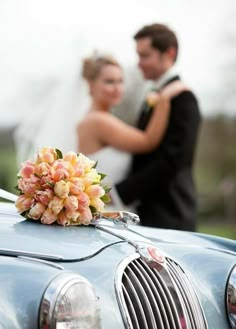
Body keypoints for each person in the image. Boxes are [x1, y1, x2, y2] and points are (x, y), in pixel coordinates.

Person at [113, 23, 202, 231]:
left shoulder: (184, 99)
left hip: (170, 213)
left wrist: (120, 192)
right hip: (146, 211)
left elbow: (173, 160)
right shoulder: (156, 94)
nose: (139, 64)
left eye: (145, 56)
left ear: (169, 53)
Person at [77, 54, 186, 200]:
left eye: (120, 81)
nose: (117, 88)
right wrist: (164, 100)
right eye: (109, 82)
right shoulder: (98, 121)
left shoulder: (96, 118)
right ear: (90, 84)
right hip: (110, 210)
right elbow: (147, 141)